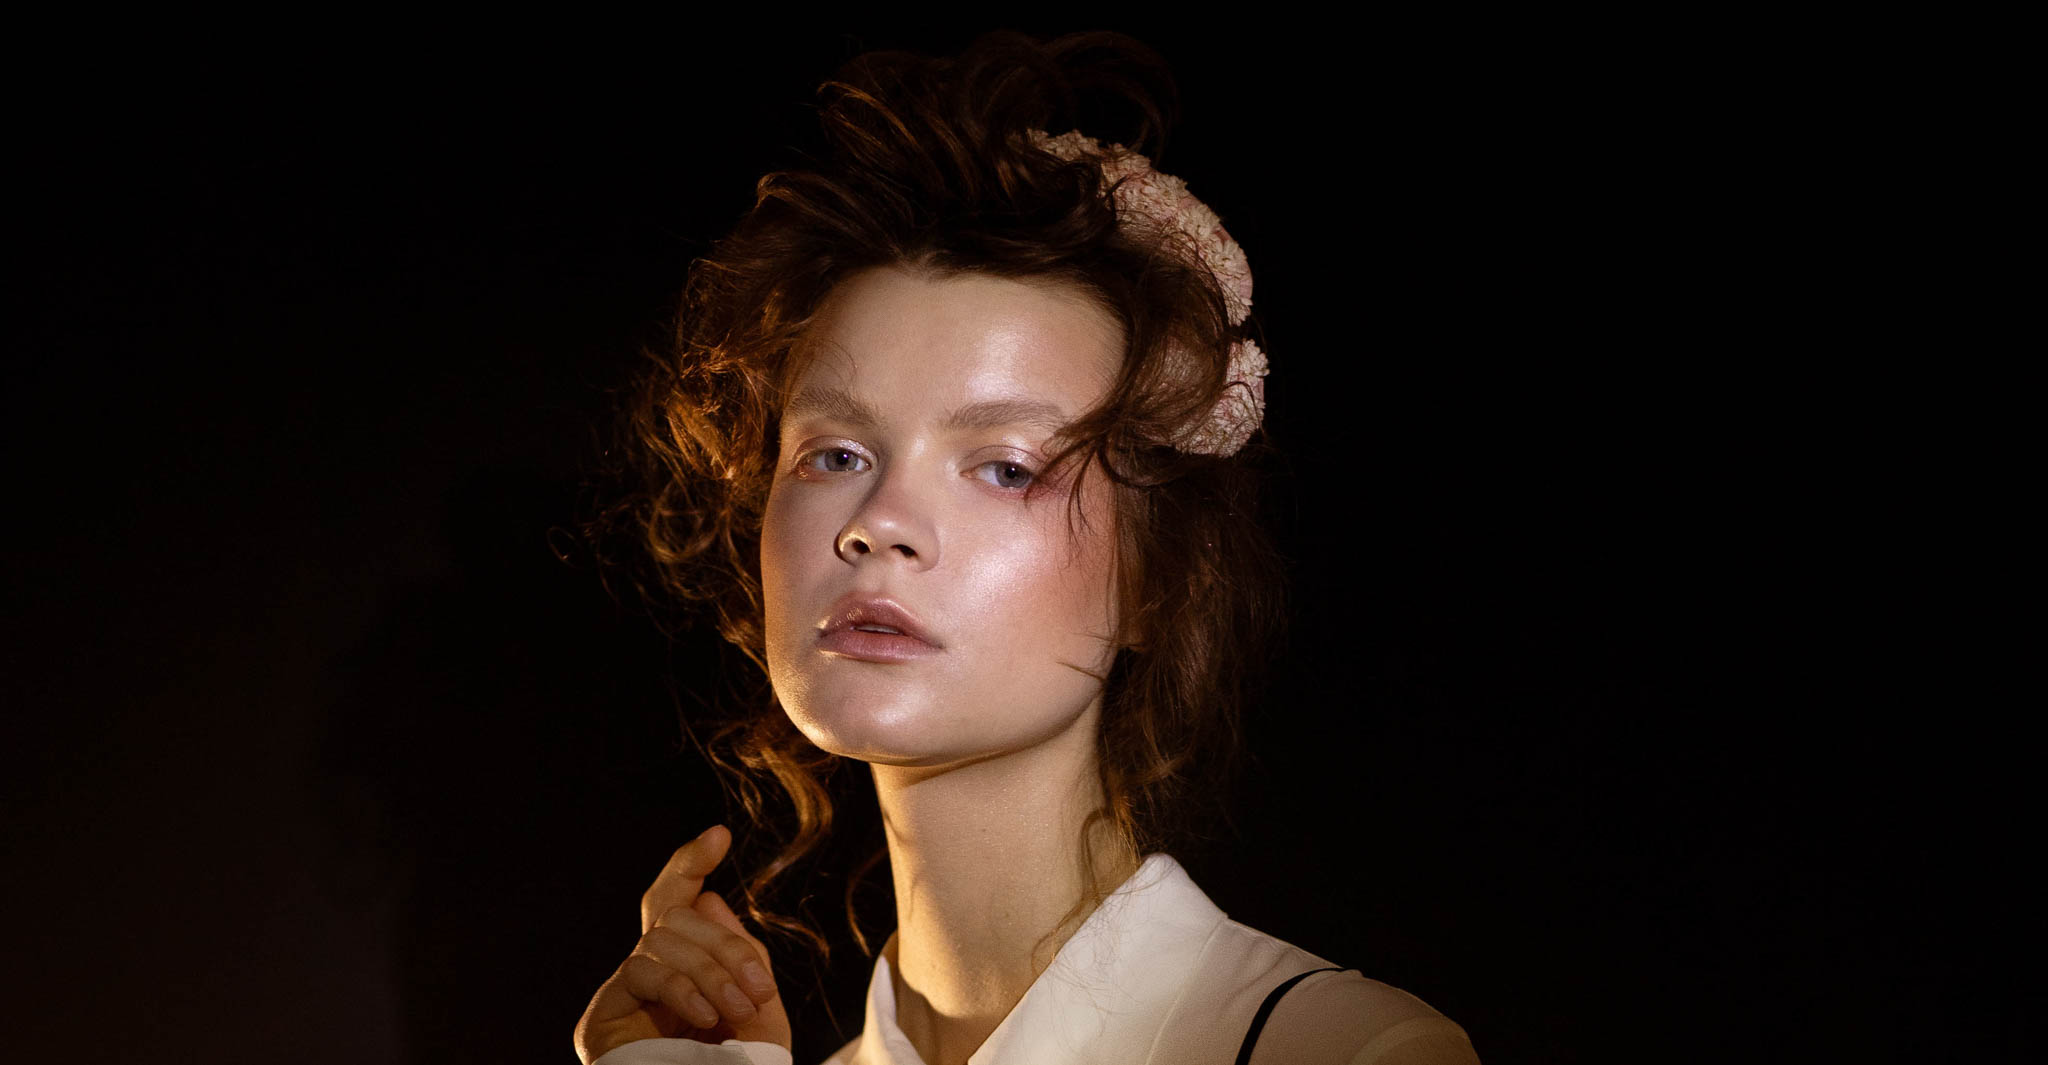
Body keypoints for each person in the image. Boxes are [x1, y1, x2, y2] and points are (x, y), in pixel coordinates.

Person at [573, 31, 1480, 1065]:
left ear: (1157, 578)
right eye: (834, 454)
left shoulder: (1338, 1048)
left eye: (1004, 468)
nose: (879, 520)